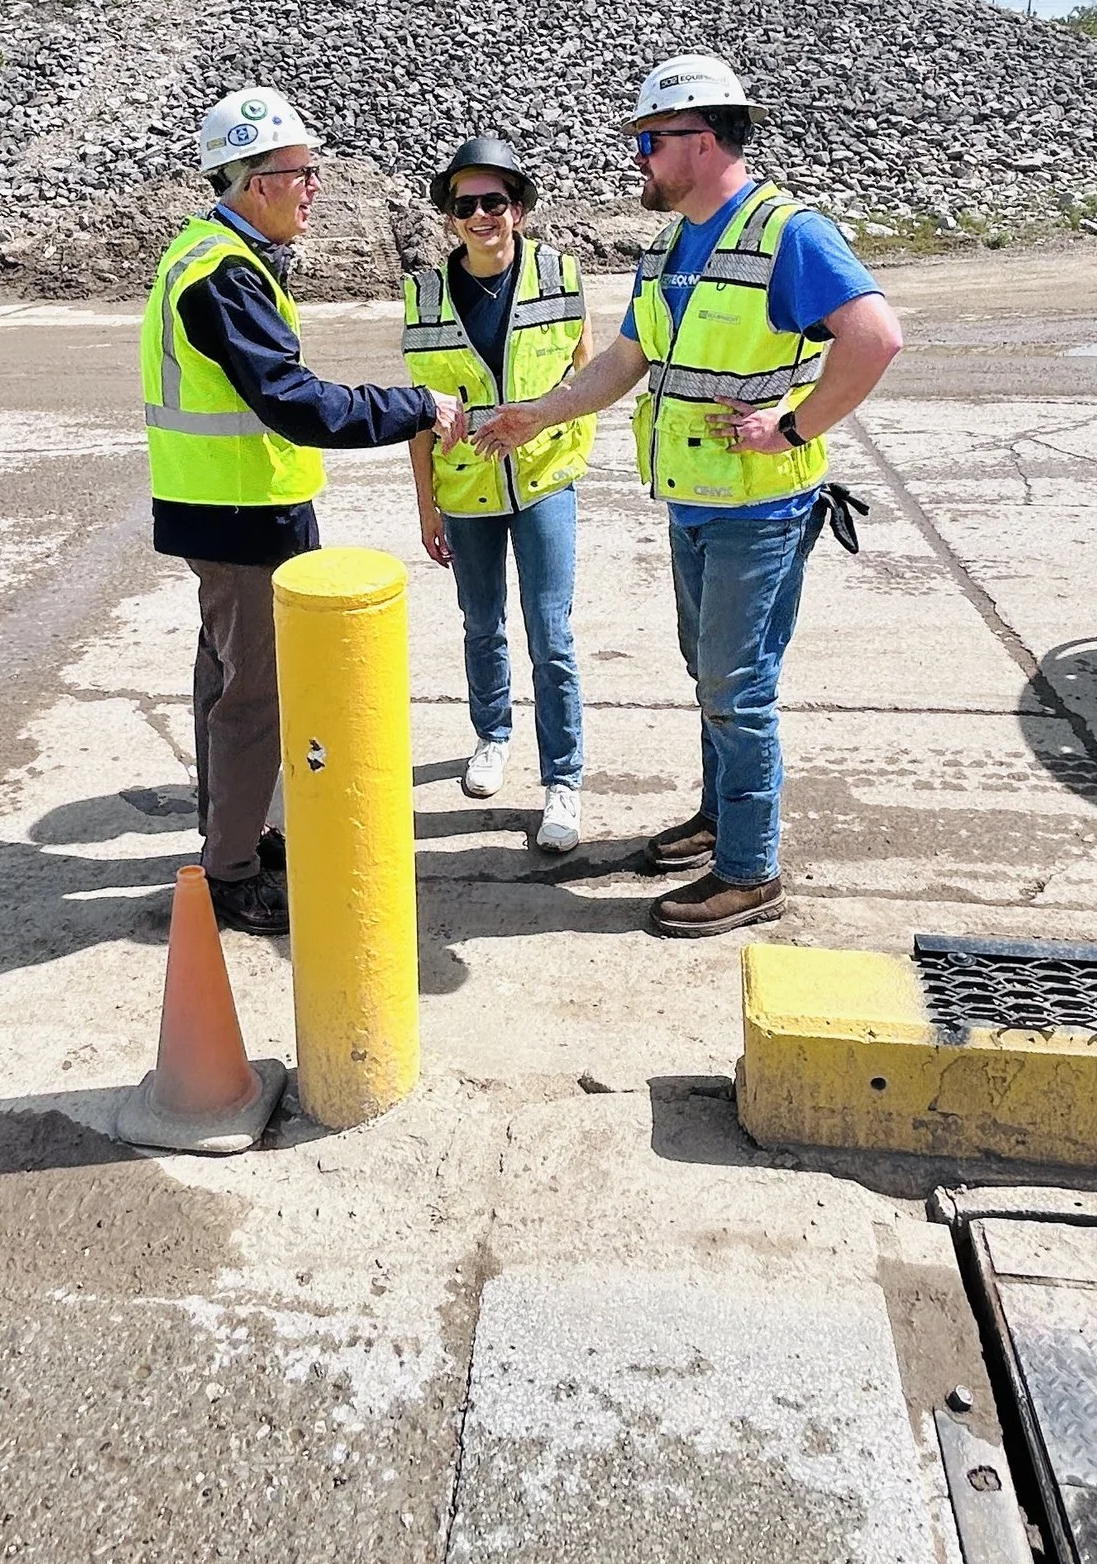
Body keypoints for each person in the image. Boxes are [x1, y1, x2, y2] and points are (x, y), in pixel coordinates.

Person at [480, 52, 903, 937]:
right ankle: (720, 821)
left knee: (737, 685)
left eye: (649, 140)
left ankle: (750, 870)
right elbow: (628, 359)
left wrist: (792, 426)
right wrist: (541, 412)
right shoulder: (671, 244)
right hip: (694, 502)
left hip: (764, 508)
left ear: (701, 141)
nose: (638, 156)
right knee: (710, 674)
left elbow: (875, 337)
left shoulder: (790, 233)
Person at [141, 88, 468, 934]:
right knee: (255, 696)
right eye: (302, 173)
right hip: (244, 515)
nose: (315, 187)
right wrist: (416, 408)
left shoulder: (209, 253)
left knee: (224, 680)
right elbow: (296, 403)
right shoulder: (222, 276)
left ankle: (235, 832)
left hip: (223, 507)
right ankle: (234, 872)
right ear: (255, 182)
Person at [402, 135, 596, 858]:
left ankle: (563, 779)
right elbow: (419, 416)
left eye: (495, 201)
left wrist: (541, 427)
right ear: (449, 216)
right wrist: (425, 506)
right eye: (465, 204)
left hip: (544, 480)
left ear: (518, 207)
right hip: (467, 491)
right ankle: (492, 734)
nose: (482, 215)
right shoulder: (424, 297)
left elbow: (587, 378)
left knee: (552, 633)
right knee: (481, 623)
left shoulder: (559, 276)